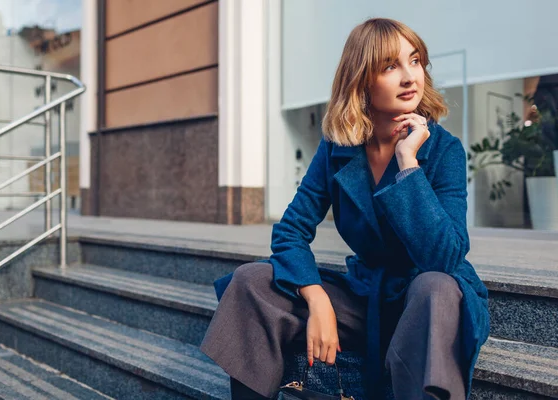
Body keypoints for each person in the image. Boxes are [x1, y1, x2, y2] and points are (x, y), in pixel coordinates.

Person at [200, 18, 490, 400]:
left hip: (429, 303)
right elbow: (290, 230)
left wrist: (408, 164)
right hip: (366, 297)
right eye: (390, 66)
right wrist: (316, 297)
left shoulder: (443, 149)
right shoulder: (338, 148)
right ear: (362, 80)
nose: (409, 77)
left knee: (434, 286)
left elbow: (445, 255)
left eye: (415, 61)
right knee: (253, 281)